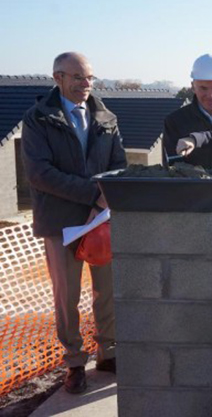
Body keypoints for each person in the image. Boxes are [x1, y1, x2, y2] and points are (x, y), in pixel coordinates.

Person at [21, 52, 126, 394]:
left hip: (101, 220)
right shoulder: (38, 119)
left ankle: (107, 352)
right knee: (66, 297)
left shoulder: (106, 117)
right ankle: (74, 362)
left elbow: (119, 164)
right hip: (60, 223)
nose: (86, 85)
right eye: (78, 78)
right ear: (58, 78)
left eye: (90, 78)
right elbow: (40, 174)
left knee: (106, 291)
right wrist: (92, 196)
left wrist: (105, 201)